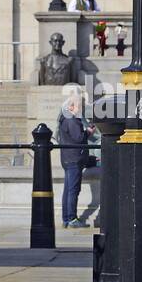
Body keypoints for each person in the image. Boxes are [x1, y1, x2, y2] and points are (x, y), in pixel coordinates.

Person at [56, 91, 91, 229]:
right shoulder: (72, 120)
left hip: (68, 158)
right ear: (71, 107)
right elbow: (78, 138)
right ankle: (71, 218)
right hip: (74, 159)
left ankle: (66, 218)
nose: (81, 110)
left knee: (68, 189)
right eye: (79, 107)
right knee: (73, 190)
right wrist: (88, 132)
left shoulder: (65, 119)